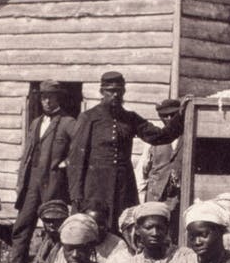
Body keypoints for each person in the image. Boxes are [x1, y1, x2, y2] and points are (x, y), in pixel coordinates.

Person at [67, 71, 183, 220]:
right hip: (95, 186)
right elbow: (77, 157)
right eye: (111, 91)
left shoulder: (130, 118)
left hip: (124, 186)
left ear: (124, 92)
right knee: (94, 226)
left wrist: (180, 115)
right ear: (102, 92)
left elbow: (159, 136)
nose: (115, 95)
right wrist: (76, 194)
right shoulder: (89, 117)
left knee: (124, 224)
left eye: (119, 91)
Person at [8, 80, 76, 263]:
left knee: (53, 228)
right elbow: (27, 153)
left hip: (53, 183)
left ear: (58, 98)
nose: (46, 101)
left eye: (50, 97)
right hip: (31, 183)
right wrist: (21, 179)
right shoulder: (36, 122)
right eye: (43, 97)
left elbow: (80, 148)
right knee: (22, 225)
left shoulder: (68, 123)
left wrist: (65, 164)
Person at [137, 98, 184, 229]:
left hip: (178, 196)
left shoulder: (188, 137)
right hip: (156, 196)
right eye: (164, 115)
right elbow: (142, 170)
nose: (168, 118)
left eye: (172, 115)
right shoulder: (155, 139)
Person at [81, 199, 131, 263]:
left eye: (101, 224)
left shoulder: (118, 245)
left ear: (107, 222)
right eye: (91, 223)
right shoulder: (77, 242)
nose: (96, 228)